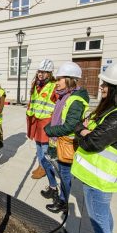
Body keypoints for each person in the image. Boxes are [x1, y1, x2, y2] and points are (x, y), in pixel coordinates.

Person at [71, 63, 117, 233]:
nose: (101, 86)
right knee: (103, 218)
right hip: (93, 178)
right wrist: (84, 129)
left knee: (100, 224)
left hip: (99, 182)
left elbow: (91, 141)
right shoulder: (108, 110)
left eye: (106, 84)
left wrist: (82, 131)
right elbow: (82, 125)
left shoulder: (116, 116)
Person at [42, 61, 89, 213]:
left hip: (67, 143)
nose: (57, 82)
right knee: (59, 170)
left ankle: (63, 202)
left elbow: (69, 126)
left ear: (70, 79)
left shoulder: (75, 100)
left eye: (60, 79)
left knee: (65, 174)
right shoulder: (65, 96)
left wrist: (50, 130)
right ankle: (59, 195)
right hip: (60, 141)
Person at [26, 59, 57, 179]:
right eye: (39, 71)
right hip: (36, 120)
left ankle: (44, 167)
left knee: (44, 147)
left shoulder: (53, 86)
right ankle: (40, 165)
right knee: (38, 145)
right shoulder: (37, 84)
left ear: (49, 73)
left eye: (44, 72)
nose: (40, 74)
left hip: (46, 121)